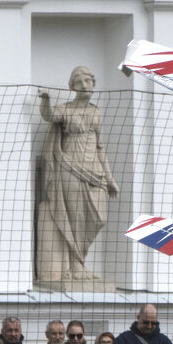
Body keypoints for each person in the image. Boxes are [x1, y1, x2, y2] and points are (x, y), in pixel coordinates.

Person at [35, 65, 120, 285]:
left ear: (93, 83)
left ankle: (79, 262)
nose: (84, 85)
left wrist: (109, 178)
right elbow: (49, 116)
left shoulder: (96, 112)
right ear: (72, 86)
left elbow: (100, 147)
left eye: (88, 81)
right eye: (79, 82)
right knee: (74, 218)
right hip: (69, 167)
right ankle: (76, 266)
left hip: (95, 171)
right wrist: (45, 100)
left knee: (98, 217)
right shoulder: (66, 109)